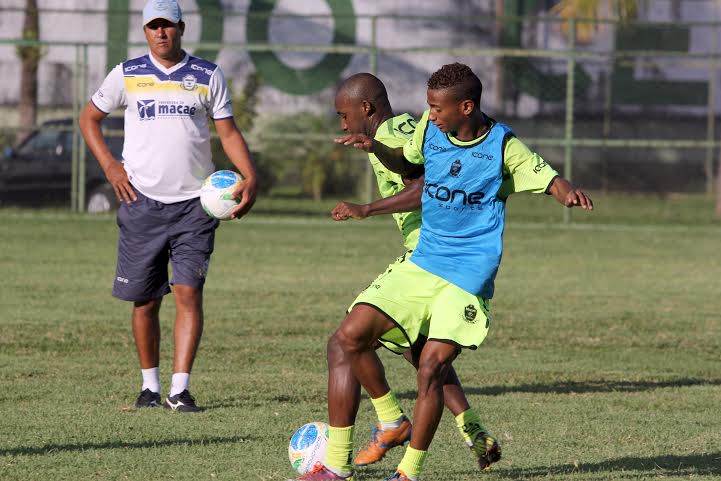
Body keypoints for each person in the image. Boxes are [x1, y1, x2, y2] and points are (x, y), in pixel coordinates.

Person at [311, 63, 593, 481]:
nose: (432, 115)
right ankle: (342, 464)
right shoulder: (427, 127)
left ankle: (406, 462)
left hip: (466, 271)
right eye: (429, 107)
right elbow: (416, 172)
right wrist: (372, 153)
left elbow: (546, 175)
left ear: (465, 106)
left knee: (427, 365)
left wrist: (565, 190)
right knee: (352, 339)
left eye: (438, 108)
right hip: (425, 259)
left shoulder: (501, 146)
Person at [296, 73, 501, 481]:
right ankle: (471, 428)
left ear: (366, 109)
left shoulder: (393, 134)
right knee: (421, 351)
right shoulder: (400, 129)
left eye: (344, 114)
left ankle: (375, 433)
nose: (342, 124)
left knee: (344, 343)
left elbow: (426, 184)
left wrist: (366, 207)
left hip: (435, 255)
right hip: (437, 255)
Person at [78, 0, 256, 412]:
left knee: (189, 293)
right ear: (145, 31)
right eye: (153, 26)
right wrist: (110, 167)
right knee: (146, 301)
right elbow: (89, 119)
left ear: (181, 28)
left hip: (196, 205)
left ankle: (179, 390)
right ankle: (149, 387)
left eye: (168, 25)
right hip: (140, 201)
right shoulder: (127, 73)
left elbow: (227, 134)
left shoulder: (207, 75)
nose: (161, 33)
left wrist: (251, 175)